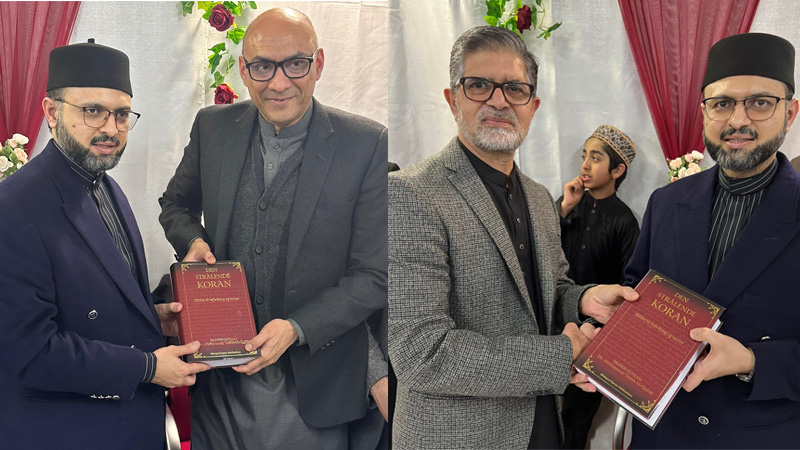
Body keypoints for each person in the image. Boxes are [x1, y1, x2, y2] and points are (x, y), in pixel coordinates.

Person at [388, 26, 638, 450]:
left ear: (532, 106)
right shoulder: (412, 194)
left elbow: (548, 290)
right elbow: (421, 353)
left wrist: (583, 299)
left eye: (515, 89)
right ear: (452, 99)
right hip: (460, 437)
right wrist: (562, 357)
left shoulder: (539, 197)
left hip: (542, 423)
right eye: (479, 85)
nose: (499, 101)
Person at [158, 7, 388, 449]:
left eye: (295, 64)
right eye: (263, 66)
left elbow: (372, 276)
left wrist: (297, 328)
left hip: (314, 386)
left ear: (318, 64)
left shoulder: (364, 143)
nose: (279, 83)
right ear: (244, 70)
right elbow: (176, 204)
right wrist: (194, 240)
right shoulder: (213, 127)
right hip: (218, 384)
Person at [0, 40, 208, 449]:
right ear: (52, 112)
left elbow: (93, 301)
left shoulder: (107, 187)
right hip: (66, 433)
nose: (110, 128)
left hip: (127, 426)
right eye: (92, 111)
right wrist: (147, 367)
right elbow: (30, 351)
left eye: (122, 114)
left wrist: (153, 318)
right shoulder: (14, 207)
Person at [621, 33, 800, 448]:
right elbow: (636, 288)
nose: (738, 120)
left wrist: (753, 361)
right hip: (661, 435)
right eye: (721, 104)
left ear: (790, 113)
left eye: (760, 103)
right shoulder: (666, 202)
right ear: (704, 112)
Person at [556, 125, 640, 449]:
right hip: (553, 324)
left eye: (596, 158)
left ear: (617, 170)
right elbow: (540, 250)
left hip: (594, 335)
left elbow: (629, 285)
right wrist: (564, 207)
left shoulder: (624, 221)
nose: (585, 165)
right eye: (584, 156)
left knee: (577, 419)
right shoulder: (570, 204)